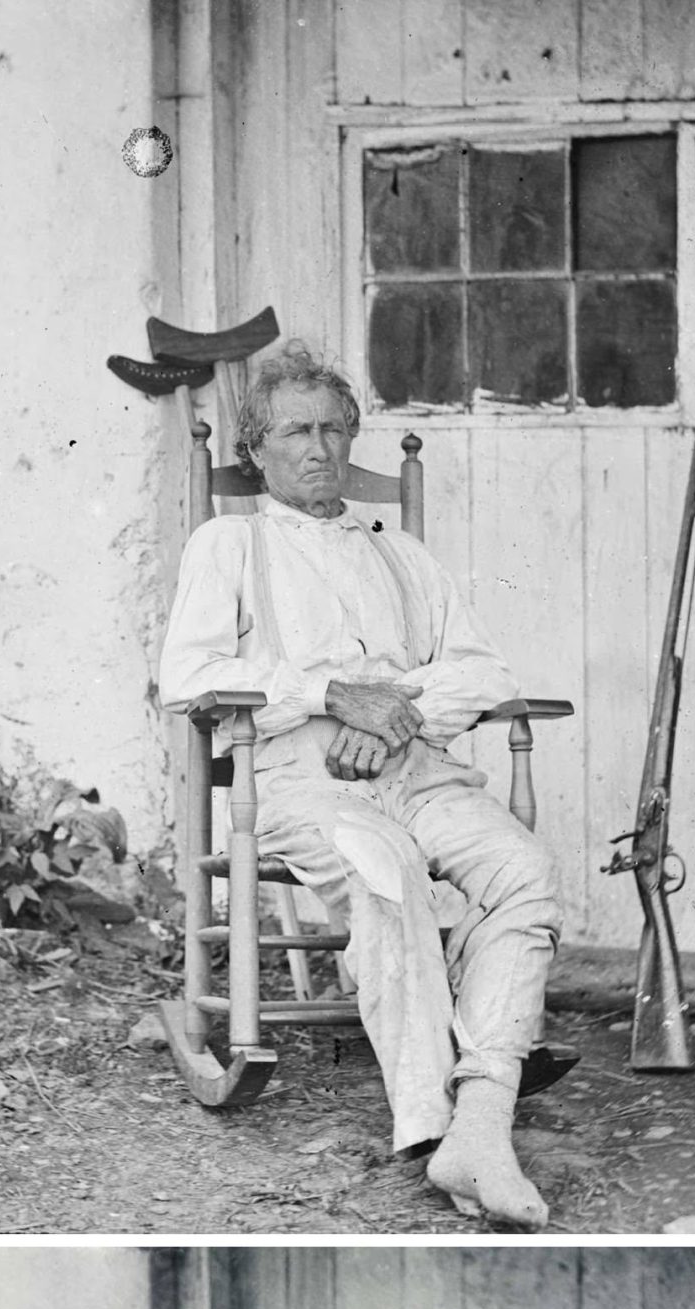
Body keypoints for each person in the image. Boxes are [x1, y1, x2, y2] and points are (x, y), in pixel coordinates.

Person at [158, 340, 562, 1231]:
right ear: (257, 448)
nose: (321, 448)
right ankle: (433, 1121)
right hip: (303, 781)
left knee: (522, 870)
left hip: (417, 769)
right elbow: (185, 678)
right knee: (386, 874)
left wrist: (390, 717)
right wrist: (332, 696)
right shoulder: (231, 543)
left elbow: (484, 674)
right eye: (298, 431)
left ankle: (483, 1119)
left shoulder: (405, 557)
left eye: (336, 429)